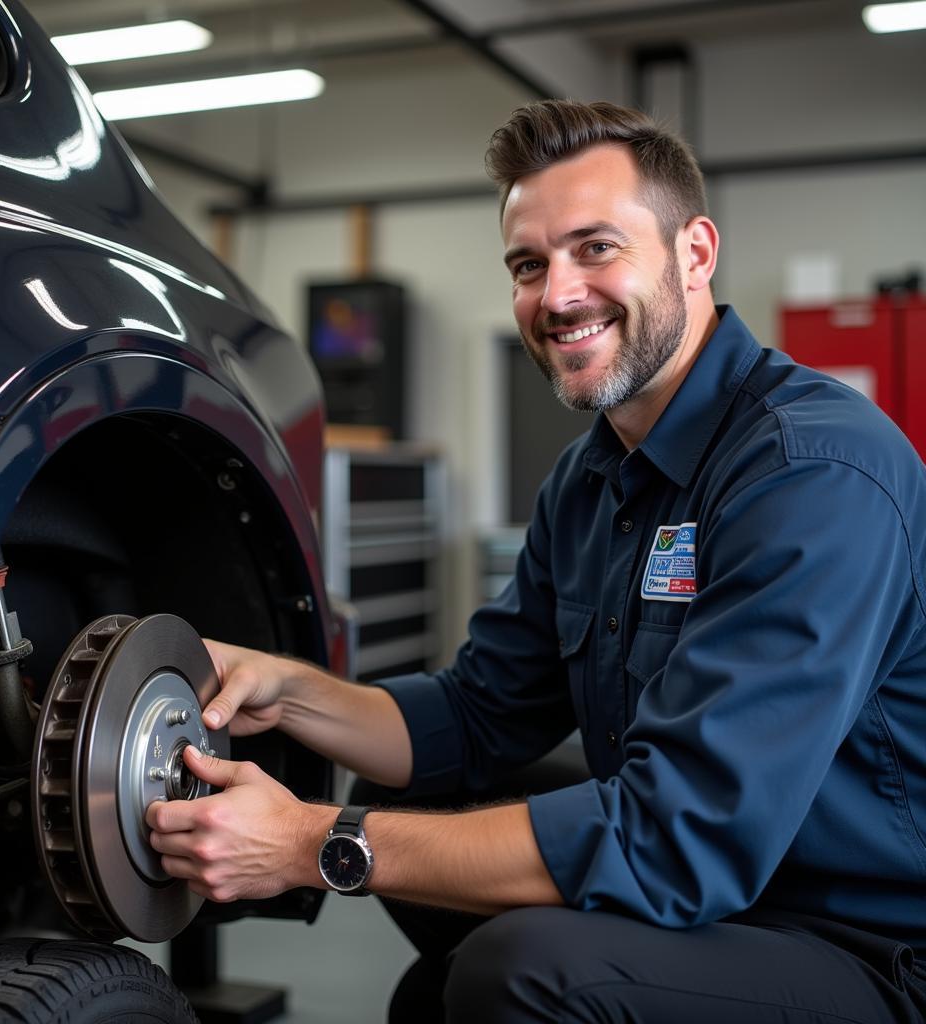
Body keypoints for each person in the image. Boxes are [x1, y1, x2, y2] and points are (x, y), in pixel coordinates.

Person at [146, 100, 926, 1023]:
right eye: (529, 264)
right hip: (713, 900)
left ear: (695, 253)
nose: (557, 296)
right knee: (422, 816)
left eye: (596, 248)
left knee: (520, 973)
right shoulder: (590, 477)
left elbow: (679, 838)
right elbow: (479, 715)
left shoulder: (810, 471)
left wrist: (314, 841)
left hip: (860, 943)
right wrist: (292, 690)